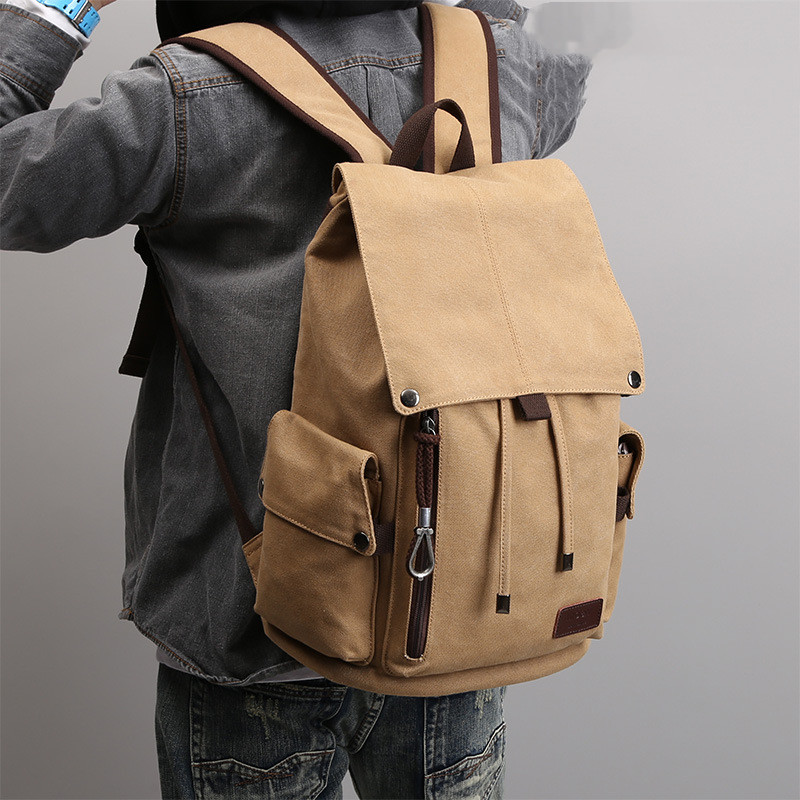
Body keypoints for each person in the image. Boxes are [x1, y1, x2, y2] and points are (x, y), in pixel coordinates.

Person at [0, 0, 591, 796]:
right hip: (454, 608)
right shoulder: (503, 67)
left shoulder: (184, 95)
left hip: (247, 623)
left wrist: (58, 9)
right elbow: (555, 65)